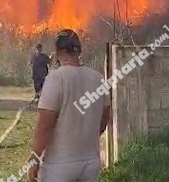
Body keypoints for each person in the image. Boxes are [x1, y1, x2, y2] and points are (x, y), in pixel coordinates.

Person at [28, 29, 111, 182]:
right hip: (90, 163)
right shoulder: (97, 78)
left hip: (59, 165)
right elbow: (106, 115)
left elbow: (45, 125)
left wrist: (35, 159)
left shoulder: (56, 78)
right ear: (78, 50)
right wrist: (88, 136)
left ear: (58, 51)